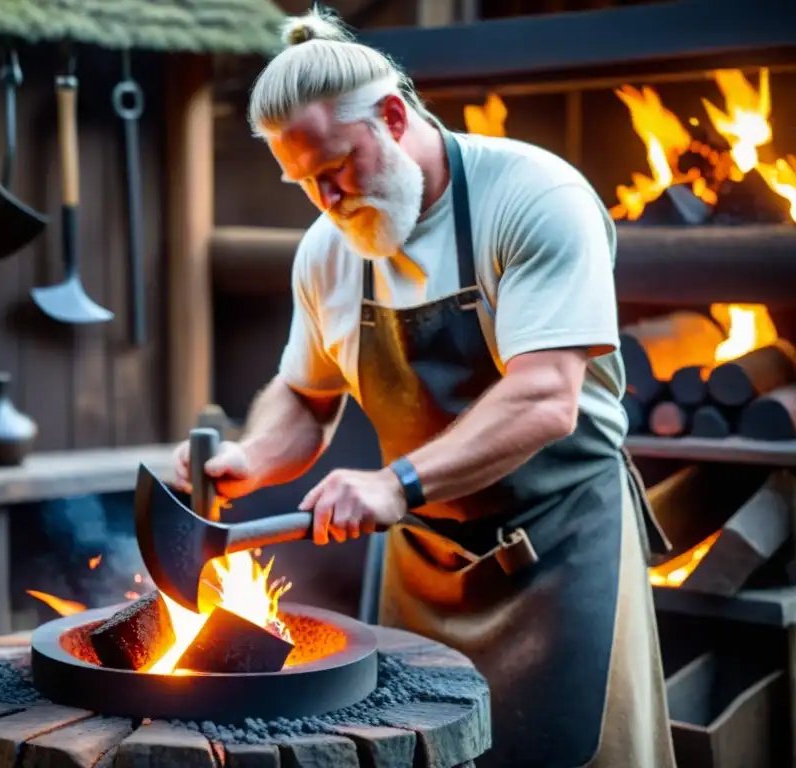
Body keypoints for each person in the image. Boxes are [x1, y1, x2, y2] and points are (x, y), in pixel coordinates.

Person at [171, 7, 677, 767]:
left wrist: (396, 483)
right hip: (422, 564)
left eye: (335, 169)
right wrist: (251, 458)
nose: (326, 201)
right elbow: (304, 397)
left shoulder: (535, 198)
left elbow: (546, 395)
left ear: (394, 117)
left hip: (564, 552)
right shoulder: (328, 251)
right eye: (304, 183)